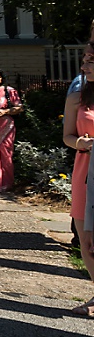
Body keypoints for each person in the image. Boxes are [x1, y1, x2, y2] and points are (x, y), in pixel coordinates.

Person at [62, 49, 94, 317]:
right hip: (85, 171)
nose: (84, 67)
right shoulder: (77, 97)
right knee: (87, 240)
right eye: (83, 61)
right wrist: (80, 143)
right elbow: (68, 136)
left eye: (90, 62)